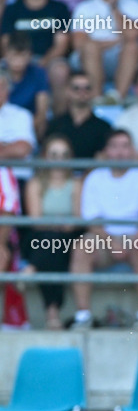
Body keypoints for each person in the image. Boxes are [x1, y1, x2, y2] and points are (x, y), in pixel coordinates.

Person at [69, 129, 138, 330]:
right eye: (114, 146)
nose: (120, 152)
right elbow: (92, 220)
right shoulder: (95, 177)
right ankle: (83, 316)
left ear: (133, 150)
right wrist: (113, 242)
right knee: (81, 247)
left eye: (125, 146)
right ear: (106, 151)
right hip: (105, 238)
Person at [22, 134, 81, 329]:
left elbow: (76, 221)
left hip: (67, 238)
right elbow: (37, 222)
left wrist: (59, 225)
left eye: (64, 155)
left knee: (54, 245)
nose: (59, 160)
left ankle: (33, 268)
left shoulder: (76, 184)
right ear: (45, 157)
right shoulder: (35, 183)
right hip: (41, 238)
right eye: (54, 154)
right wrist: (60, 224)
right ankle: (52, 312)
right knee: (51, 244)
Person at [70, 0, 138, 103]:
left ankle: (117, 99)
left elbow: (132, 36)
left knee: (132, 47)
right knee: (90, 48)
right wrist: (117, 41)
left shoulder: (133, 4)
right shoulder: (84, 7)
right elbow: (79, 44)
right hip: (90, 56)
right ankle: (97, 100)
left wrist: (114, 8)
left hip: (124, 56)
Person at [44, 71, 111, 159]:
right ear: (67, 91)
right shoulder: (55, 125)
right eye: (76, 88)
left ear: (93, 92)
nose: (82, 92)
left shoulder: (104, 128)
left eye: (87, 88)